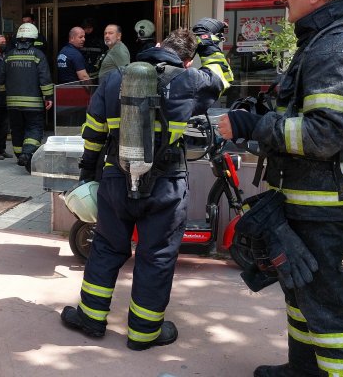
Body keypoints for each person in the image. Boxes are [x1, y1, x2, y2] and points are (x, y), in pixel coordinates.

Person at [218, 0, 343, 377]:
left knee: (332, 312)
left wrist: (256, 124)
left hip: (326, 206)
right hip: (307, 197)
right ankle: (304, 370)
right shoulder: (321, 41)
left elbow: (323, 135)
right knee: (302, 292)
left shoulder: (339, 46)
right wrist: (260, 113)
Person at [60, 25, 231, 350]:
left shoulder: (114, 79)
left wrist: (87, 173)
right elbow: (223, 77)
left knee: (107, 249)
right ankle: (143, 332)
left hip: (116, 180)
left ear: (157, 46)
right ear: (186, 61)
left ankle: (91, 318)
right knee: (156, 256)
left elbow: (93, 132)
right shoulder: (188, 80)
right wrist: (209, 44)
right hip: (166, 186)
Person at [4, 22, 53, 172]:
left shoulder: (9, 55)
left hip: (12, 103)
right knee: (34, 128)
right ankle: (27, 154)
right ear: (33, 39)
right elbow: (44, 78)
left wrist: (5, 92)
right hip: (34, 103)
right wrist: (48, 96)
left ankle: (20, 155)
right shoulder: (38, 55)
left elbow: (1, 77)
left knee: (17, 129)